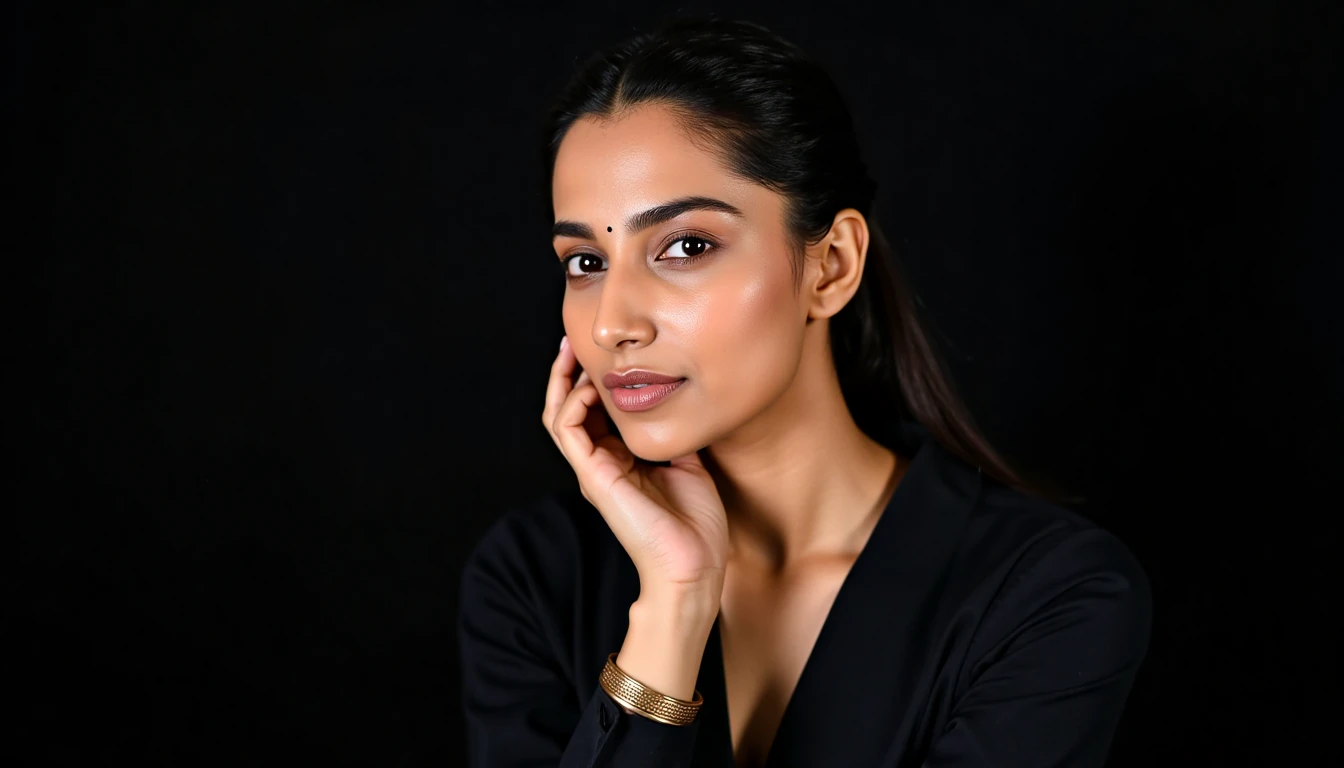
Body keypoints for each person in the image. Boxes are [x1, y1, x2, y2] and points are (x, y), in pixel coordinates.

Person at [457, 15, 1151, 768]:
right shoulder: (534, 578)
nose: (613, 323)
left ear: (831, 266)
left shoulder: (1048, 594)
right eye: (585, 261)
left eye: (685, 246)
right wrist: (674, 603)